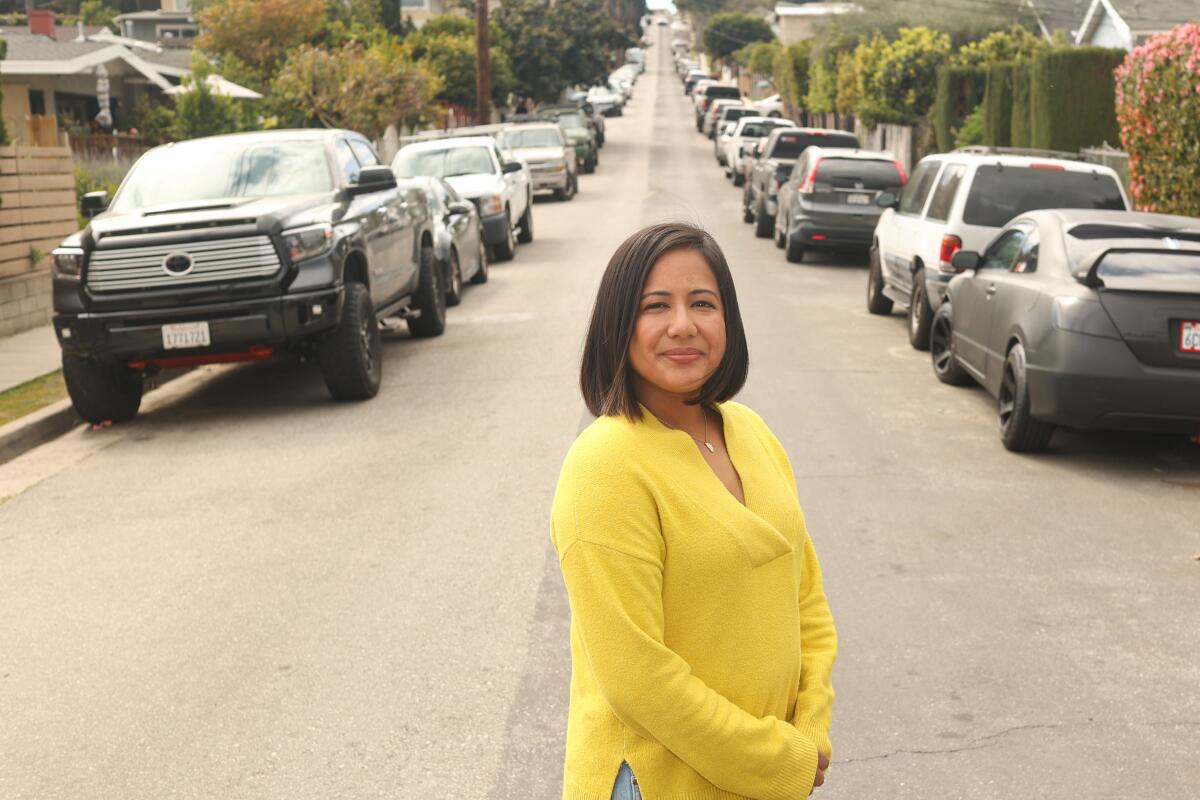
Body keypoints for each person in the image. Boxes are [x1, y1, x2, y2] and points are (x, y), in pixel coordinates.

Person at [551, 222, 837, 800]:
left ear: (726, 319)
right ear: (618, 325)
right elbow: (638, 680)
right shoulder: (605, 465)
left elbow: (804, 596)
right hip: (659, 782)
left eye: (702, 303)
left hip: (765, 775)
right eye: (656, 306)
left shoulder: (750, 431)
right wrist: (777, 760)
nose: (683, 325)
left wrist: (810, 730)